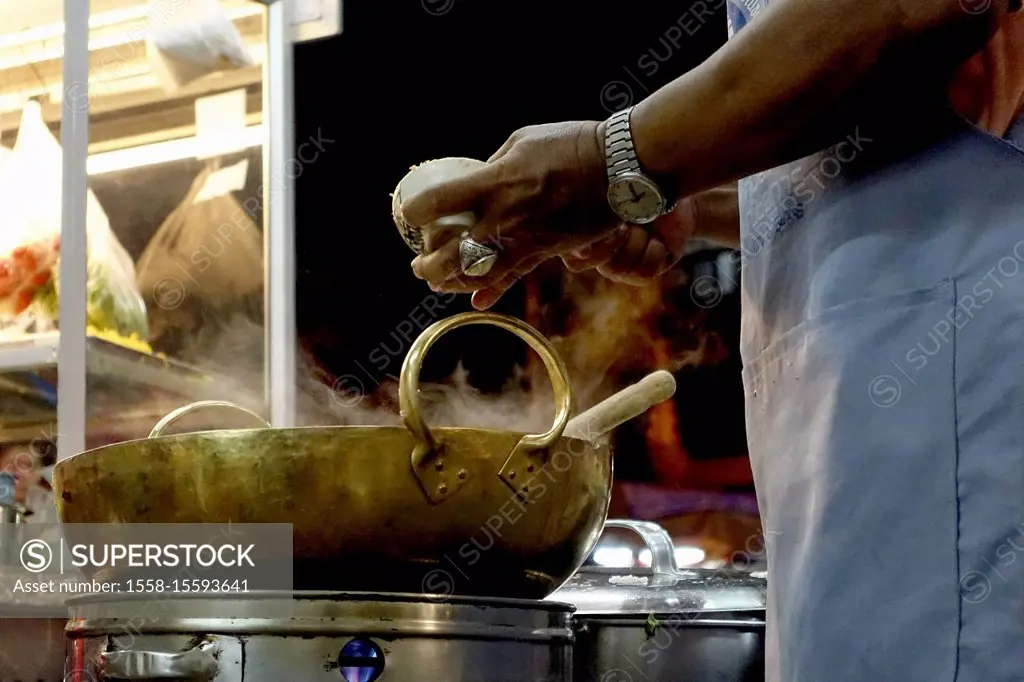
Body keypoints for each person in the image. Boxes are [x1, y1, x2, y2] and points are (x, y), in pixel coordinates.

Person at [398, 1, 1024, 679]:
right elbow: (871, 142)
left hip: (972, 381)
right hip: (861, 439)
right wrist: (675, 198)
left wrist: (617, 162)